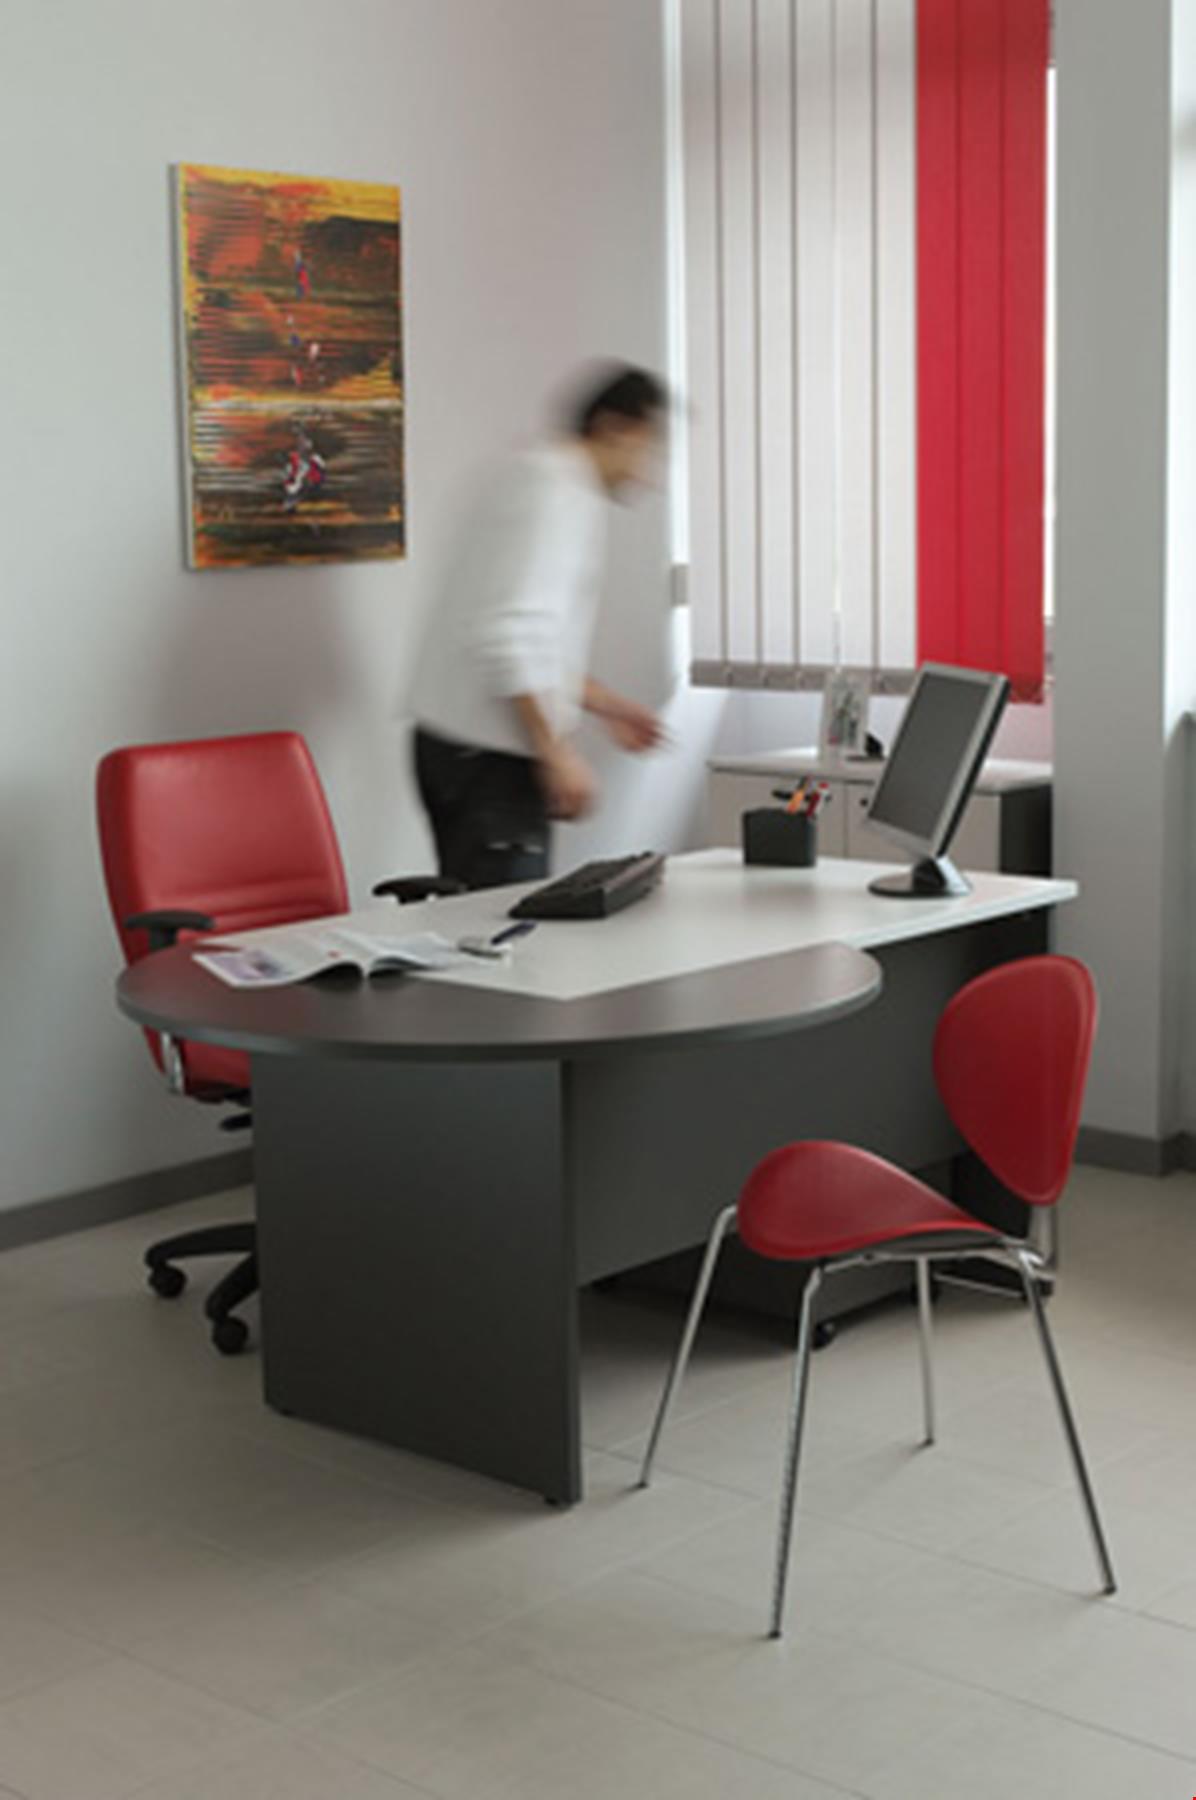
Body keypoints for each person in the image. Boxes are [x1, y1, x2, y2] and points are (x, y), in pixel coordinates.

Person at [410, 363, 668, 889]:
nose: (649, 474)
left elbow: (522, 634)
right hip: (491, 760)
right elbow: (509, 634)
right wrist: (557, 751)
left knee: (478, 921)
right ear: (612, 428)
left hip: (458, 746)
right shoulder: (555, 491)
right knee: (505, 931)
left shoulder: (535, 475)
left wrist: (605, 705)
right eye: (647, 449)